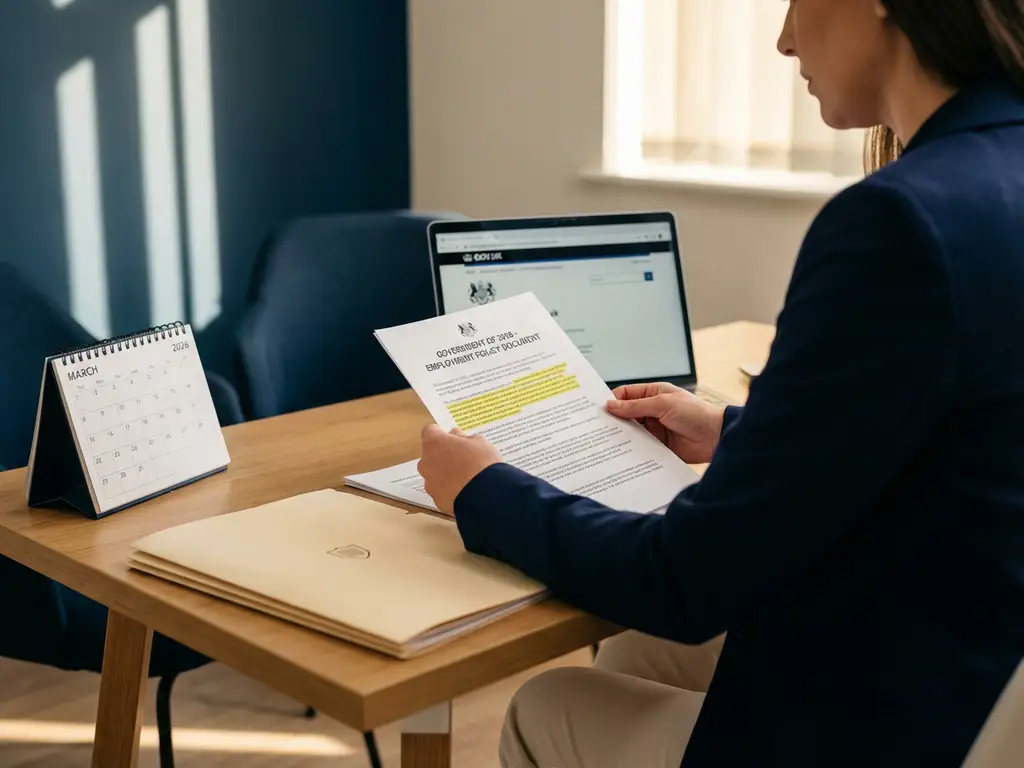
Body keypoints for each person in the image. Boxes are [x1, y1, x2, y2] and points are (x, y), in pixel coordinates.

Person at [418, 0, 1024, 765]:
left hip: (887, 717)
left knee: (551, 703)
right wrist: (739, 433)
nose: (783, 37)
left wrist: (483, 489)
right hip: (978, 660)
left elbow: (684, 580)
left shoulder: (900, 220)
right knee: (635, 653)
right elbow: (971, 427)